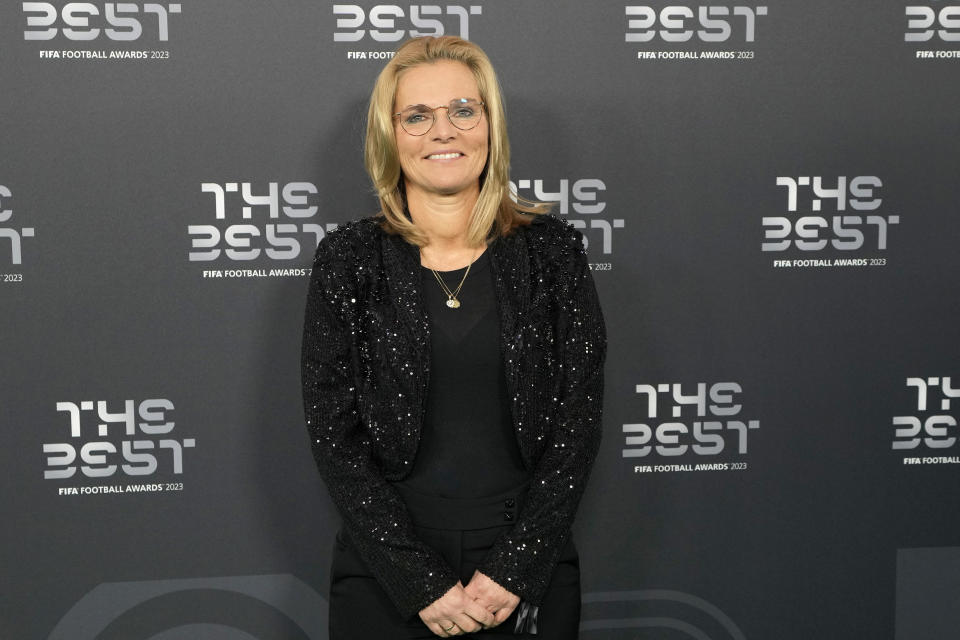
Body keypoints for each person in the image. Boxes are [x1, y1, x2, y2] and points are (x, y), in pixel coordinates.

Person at [301, 35, 606, 639]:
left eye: (463, 110)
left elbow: (580, 417)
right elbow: (333, 432)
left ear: (489, 126)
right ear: (390, 135)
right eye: (418, 116)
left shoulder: (552, 252)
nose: (443, 131)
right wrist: (420, 582)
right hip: (385, 572)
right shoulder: (349, 259)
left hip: (526, 568)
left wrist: (516, 568)